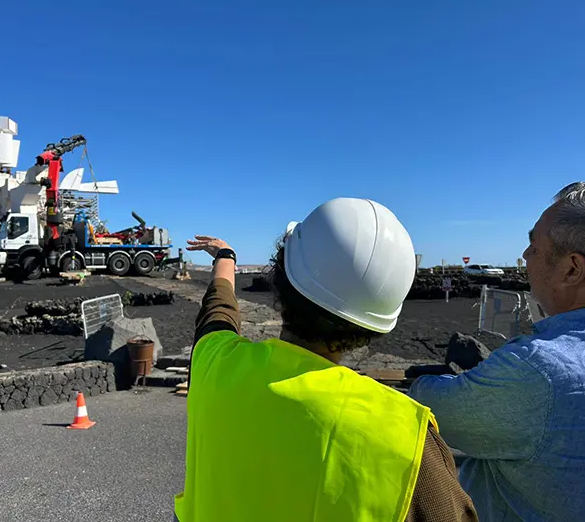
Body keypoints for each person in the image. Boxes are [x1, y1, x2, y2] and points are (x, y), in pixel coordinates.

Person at [174, 197, 477, 522]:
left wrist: (225, 255)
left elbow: (219, 307)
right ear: (374, 326)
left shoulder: (214, 363)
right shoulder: (409, 441)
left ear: (281, 277)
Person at [408, 181, 585, 521]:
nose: (524, 256)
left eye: (533, 245)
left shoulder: (541, 369)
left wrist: (430, 382)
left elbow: (433, 410)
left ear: (572, 269)